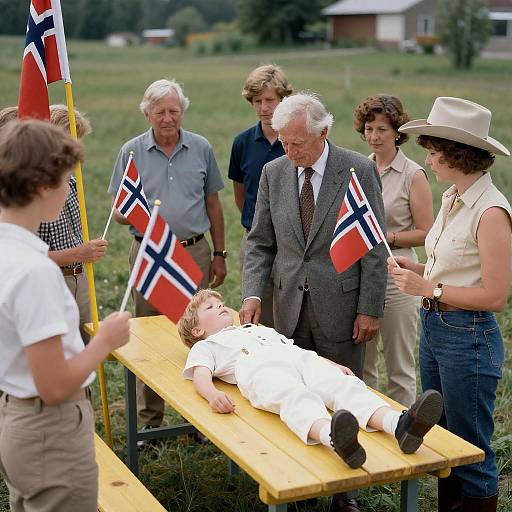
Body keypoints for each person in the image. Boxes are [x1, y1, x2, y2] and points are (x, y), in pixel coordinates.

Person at [240, 92, 388, 512]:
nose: (289, 151)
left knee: (344, 396)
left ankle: (346, 493)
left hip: (343, 310)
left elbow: (374, 247)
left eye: (298, 143)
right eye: (283, 142)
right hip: (287, 308)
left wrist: (370, 307)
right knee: (296, 397)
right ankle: (303, 486)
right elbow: (259, 243)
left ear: (324, 132)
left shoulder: (356, 169)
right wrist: (253, 293)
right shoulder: (274, 172)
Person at [0, 120, 131, 512]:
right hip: (50, 429)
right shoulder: (35, 271)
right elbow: (55, 385)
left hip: (18, 419)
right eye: (65, 178)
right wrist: (105, 341)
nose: (70, 186)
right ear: (42, 186)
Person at [390, 96, 511, 512]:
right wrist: (422, 270)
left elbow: (495, 296)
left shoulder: (492, 211)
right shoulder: (452, 197)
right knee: (443, 435)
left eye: (433, 148)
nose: (427, 157)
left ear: (455, 153)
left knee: (471, 443)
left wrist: (430, 290)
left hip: (469, 337)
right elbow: (456, 268)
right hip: (436, 330)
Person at [179, 289, 443, 469]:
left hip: (296, 358)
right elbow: (201, 376)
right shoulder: (208, 345)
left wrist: (330, 364)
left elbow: (297, 350)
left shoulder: (252, 327)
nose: (221, 306)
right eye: (211, 307)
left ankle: (398, 423)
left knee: (343, 385)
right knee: (294, 397)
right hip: (259, 369)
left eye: (221, 303)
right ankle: (335, 438)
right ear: (198, 329)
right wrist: (213, 396)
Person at [109, 78, 227, 443]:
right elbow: (117, 211)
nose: (167, 118)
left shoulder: (201, 147)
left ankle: (201, 417)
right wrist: (139, 215)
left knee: (202, 334)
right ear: (147, 113)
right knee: (149, 335)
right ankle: (151, 422)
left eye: (174, 110)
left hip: (195, 251)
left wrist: (220, 254)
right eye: (159, 111)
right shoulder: (131, 151)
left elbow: (213, 204)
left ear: (183, 111)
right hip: (150, 252)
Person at [353, 95, 434, 407]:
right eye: (369, 129)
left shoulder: (413, 175)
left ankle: (405, 427)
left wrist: (388, 236)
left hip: (401, 276)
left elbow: (427, 234)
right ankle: (368, 420)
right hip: (363, 275)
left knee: (400, 365)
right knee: (364, 363)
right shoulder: (359, 168)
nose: (374, 136)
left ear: (397, 132)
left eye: (382, 129)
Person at [37, 104, 108, 345]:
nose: (75, 150)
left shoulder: (72, 179)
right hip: (51, 283)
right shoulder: (30, 189)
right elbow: (26, 255)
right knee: (61, 352)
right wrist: (79, 252)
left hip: (80, 278)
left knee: (85, 347)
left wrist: (84, 250)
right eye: (70, 141)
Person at [228, 64, 293, 327]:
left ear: (283, 100)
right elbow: (240, 195)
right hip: (255, 241)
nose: (264, 108)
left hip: (292, 244)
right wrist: (258, 227)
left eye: (270, 100)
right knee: (257, 315)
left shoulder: (296, 141)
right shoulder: (242, 143)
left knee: (291, 315)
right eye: (257, 101)